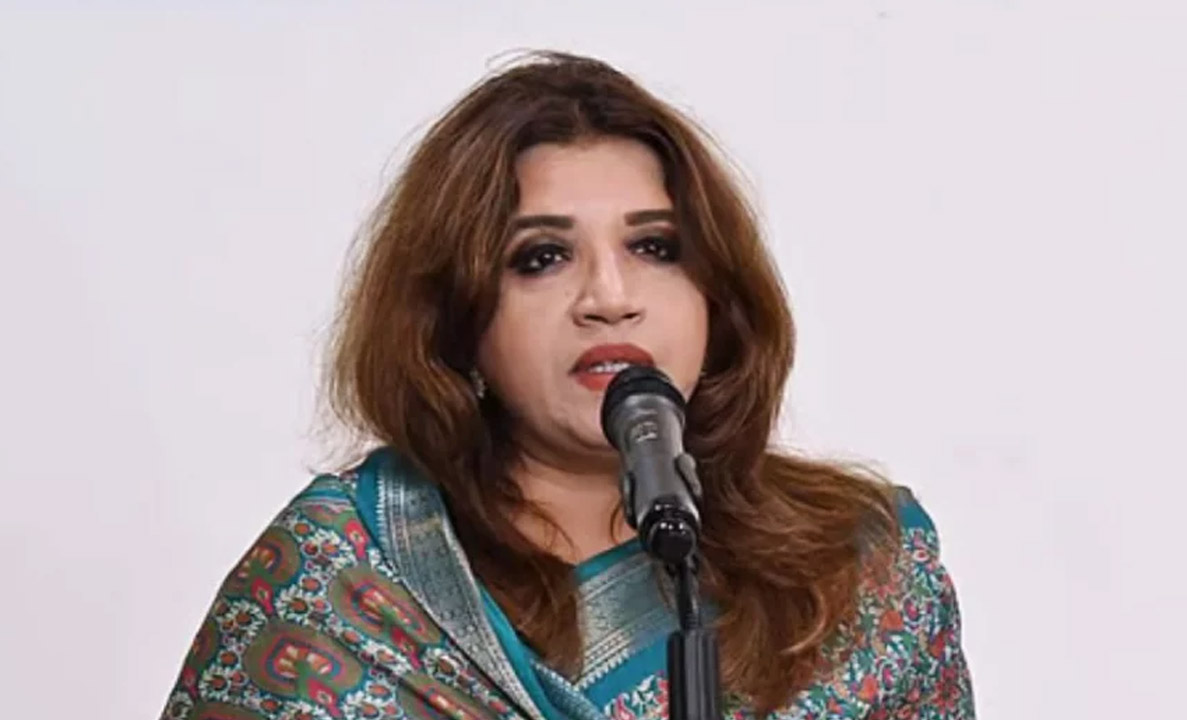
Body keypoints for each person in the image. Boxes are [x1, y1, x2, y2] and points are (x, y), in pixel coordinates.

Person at [161, 51, 974, 720]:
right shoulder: (342, 580)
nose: (609, 297)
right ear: (457, 318)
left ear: (717, 299)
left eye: (656, 247)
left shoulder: (857, 573)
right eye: (542, 258)